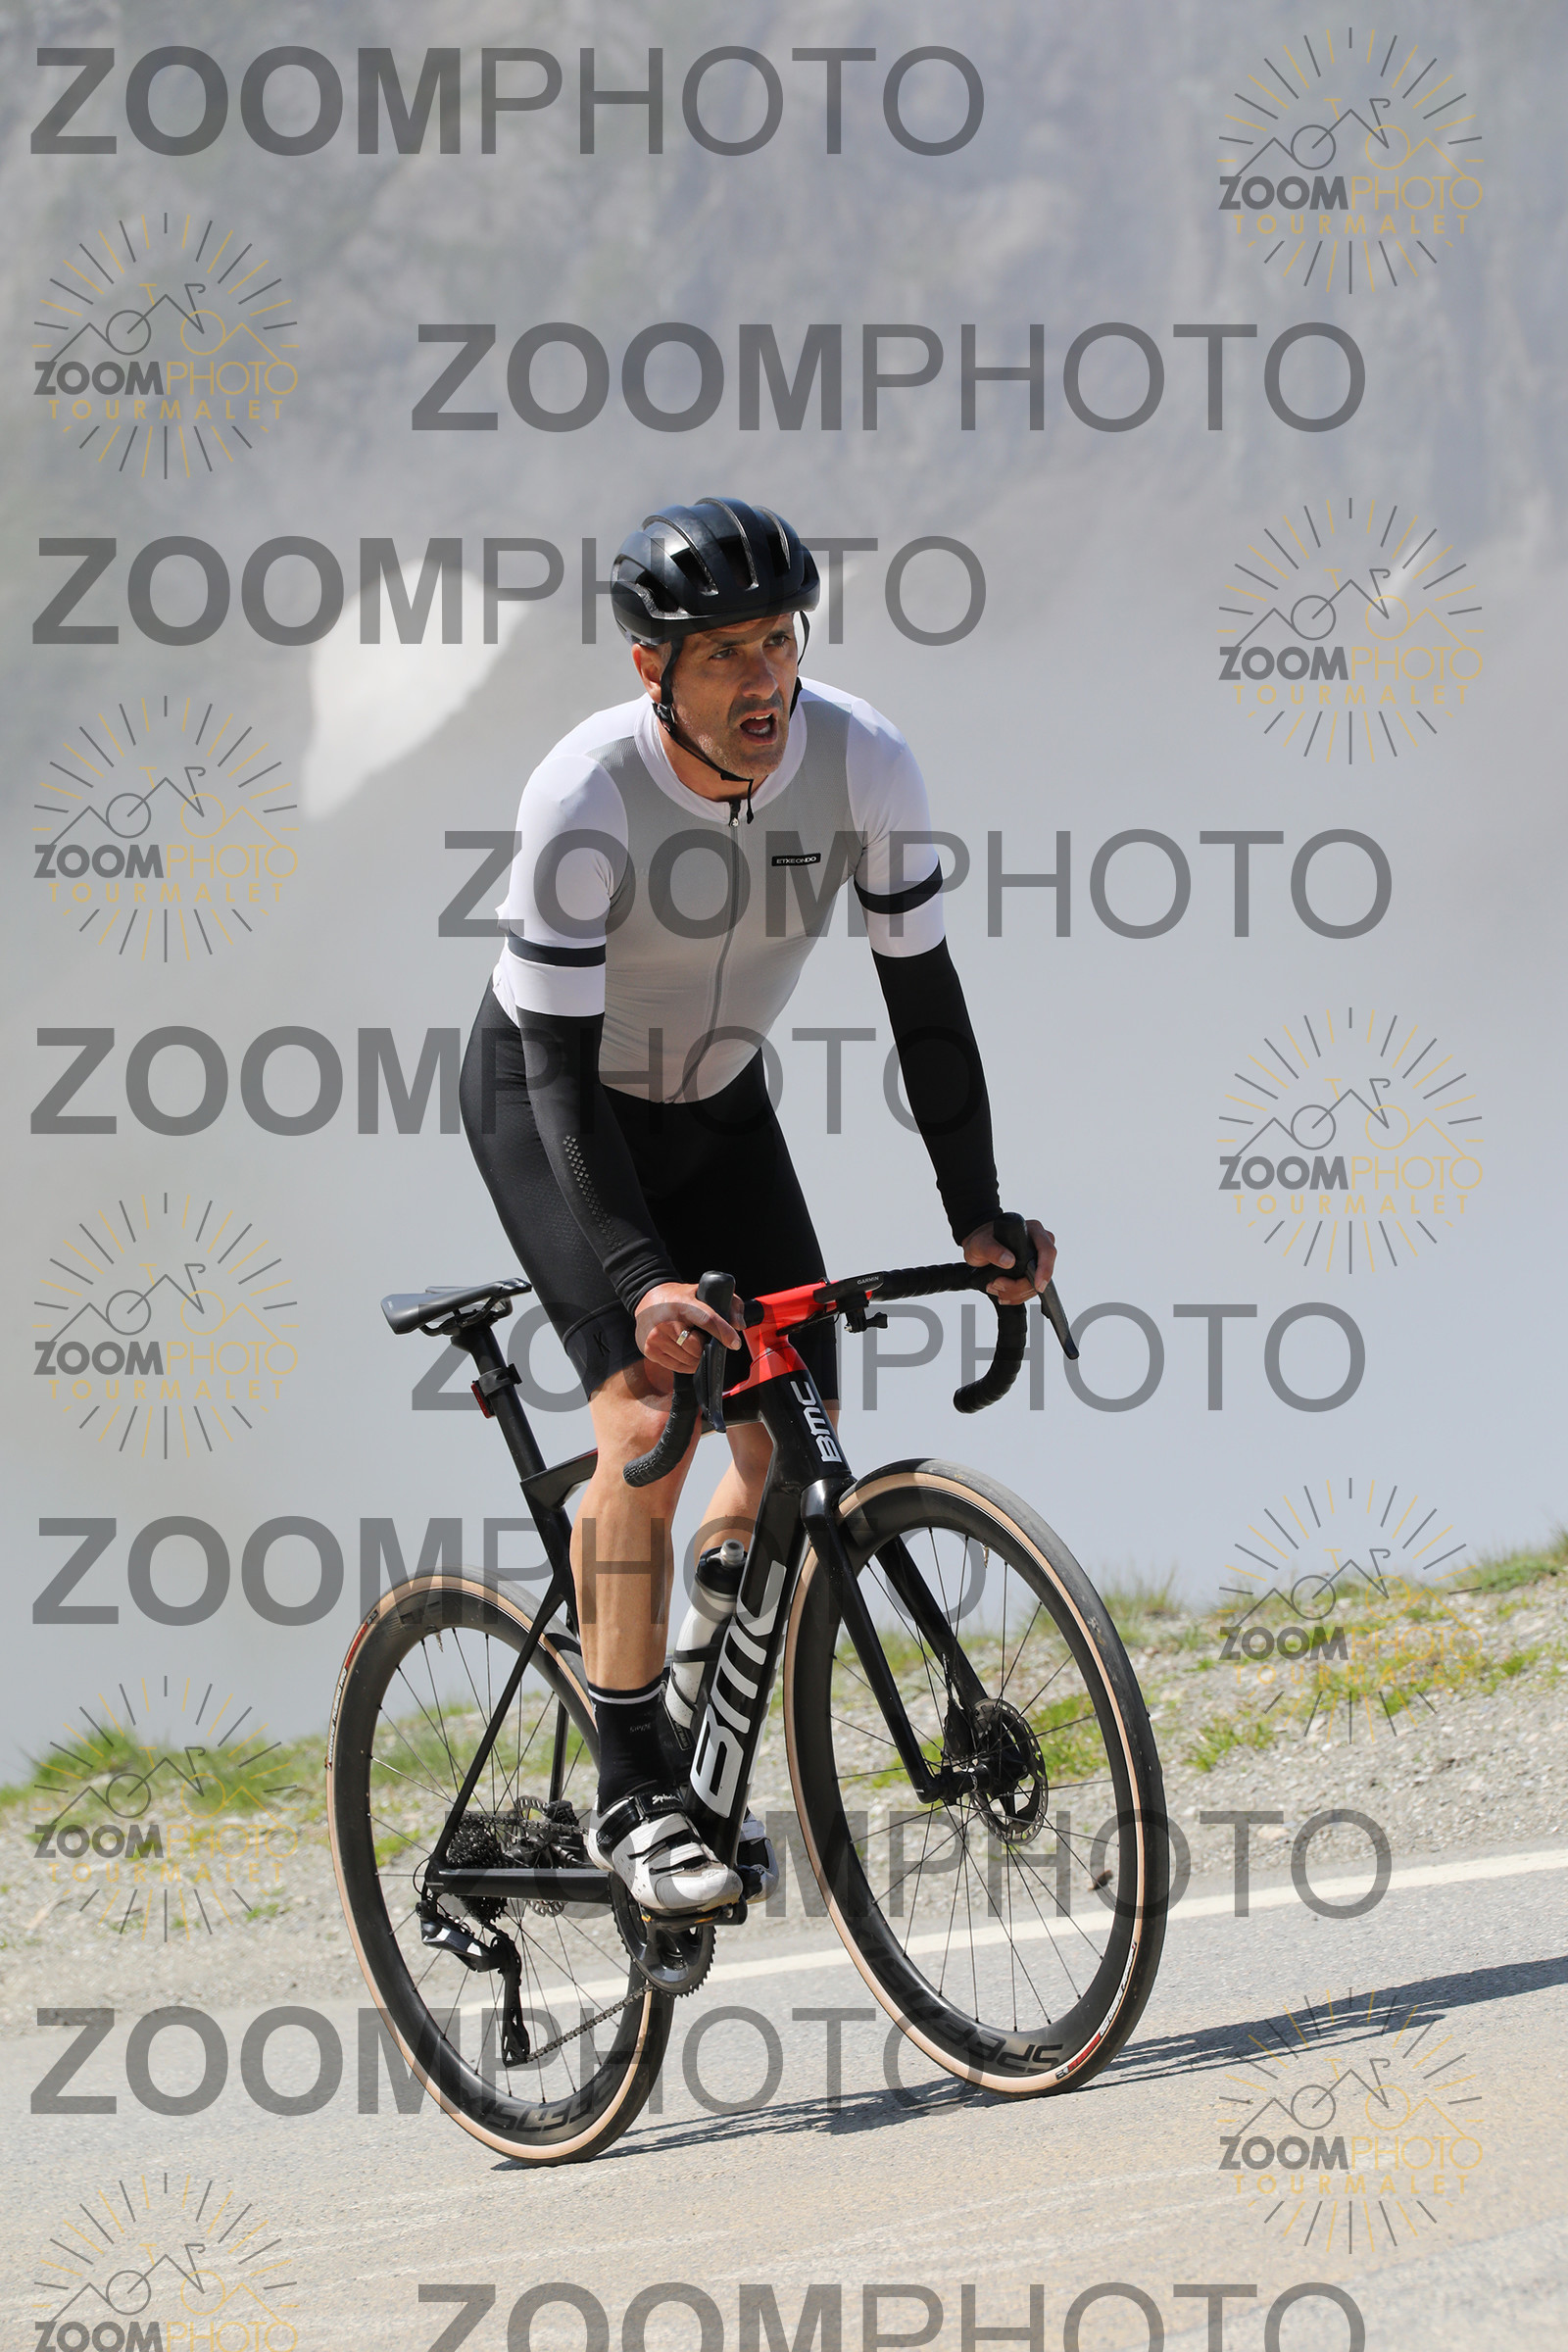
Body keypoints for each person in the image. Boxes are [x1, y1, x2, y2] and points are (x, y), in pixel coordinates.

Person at [461, 496, 1054, 1914]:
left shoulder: (864, 761)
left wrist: (978, 1213)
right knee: (645, 1421)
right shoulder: (586, 793)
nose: (763, 678)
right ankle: (627, 1789)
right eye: (723, 652)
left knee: (796, 1435)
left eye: (778, 642)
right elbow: (555, 1069)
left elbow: (926, 1004)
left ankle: (688, 1686)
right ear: (651, 669)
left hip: (719, 1104)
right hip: (559, 1107)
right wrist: (637, 1280)